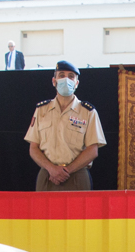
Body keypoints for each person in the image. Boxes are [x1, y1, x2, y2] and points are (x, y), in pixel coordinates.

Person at [26, 61, 107, 191]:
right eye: (61, 75)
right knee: (43, 212)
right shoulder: (41, 110)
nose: (66, 79)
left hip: (76, 175)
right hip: (47, 175)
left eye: (71, 76)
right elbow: (33, 148)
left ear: (76, 83)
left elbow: (93, 150)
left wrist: (66, 171)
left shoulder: (88, 112)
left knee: (79, 212)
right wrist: (52, 169)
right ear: (54, 81)